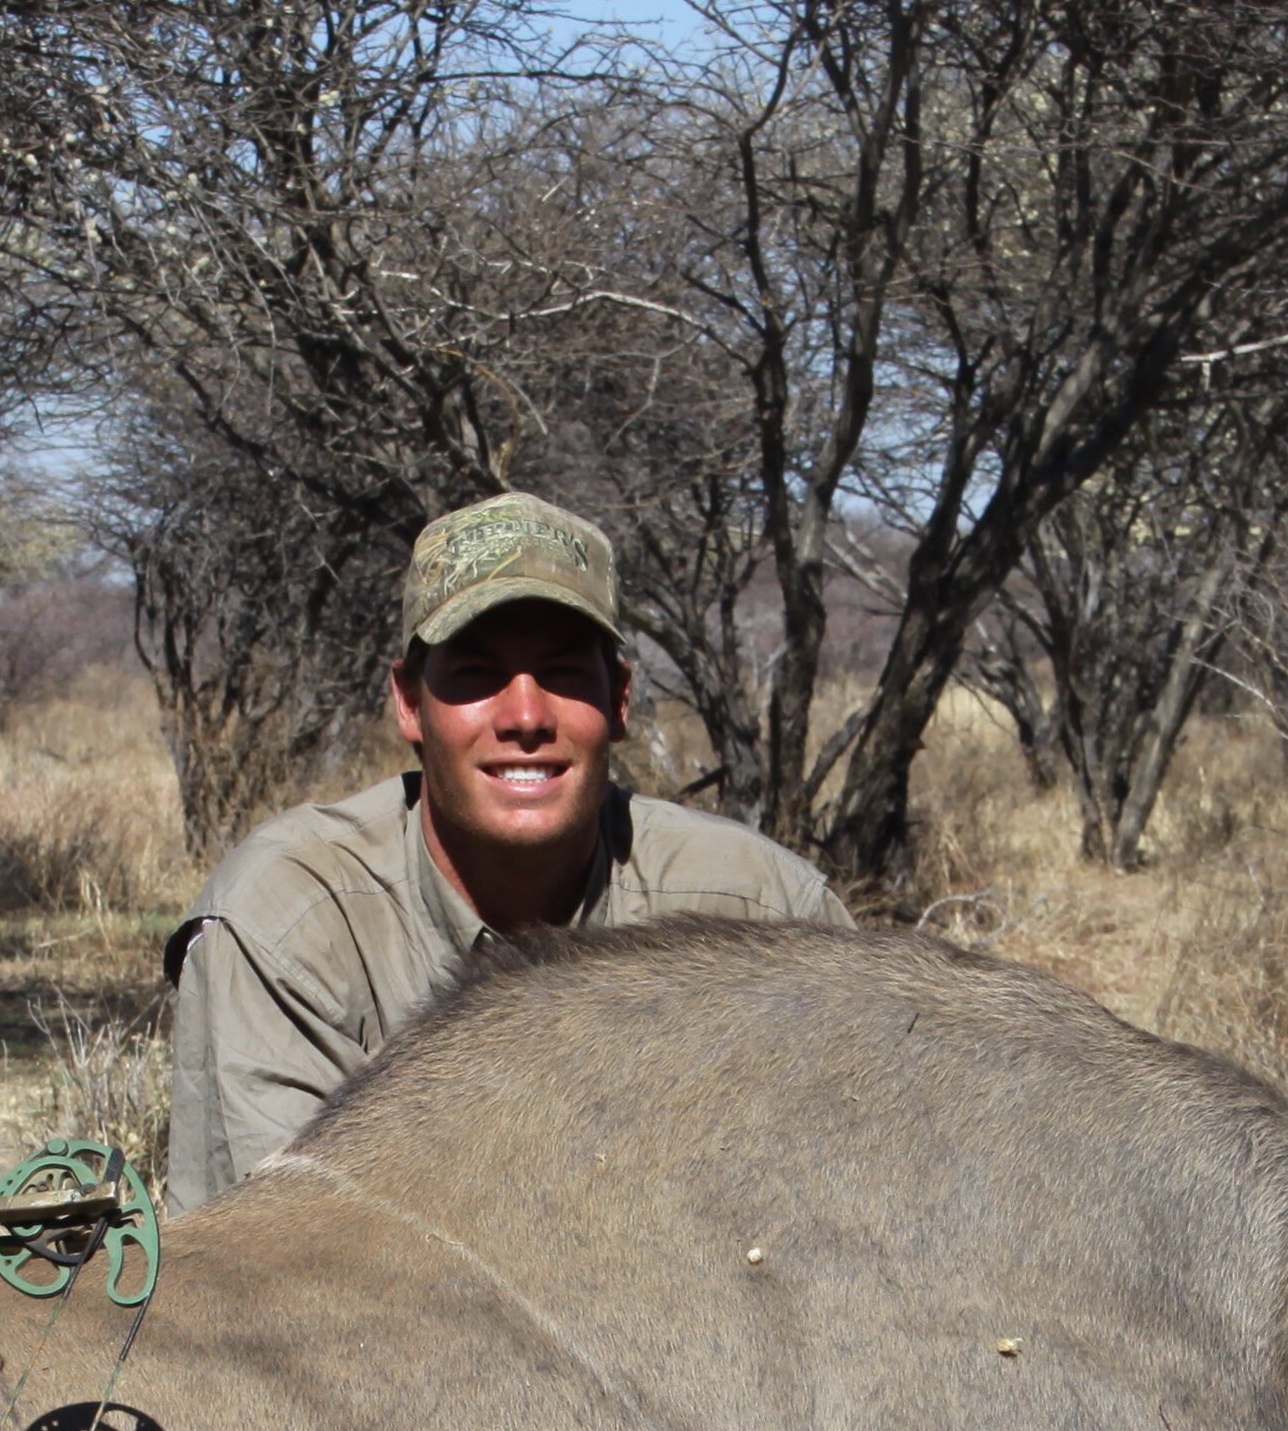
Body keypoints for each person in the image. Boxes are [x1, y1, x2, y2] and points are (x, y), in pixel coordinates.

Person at [162, 490, 846, 1212]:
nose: (525, 717)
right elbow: (290, 1259)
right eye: (477, 674)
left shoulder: (767, 913)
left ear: (618, 701)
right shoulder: (286, 920)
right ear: (409, 703)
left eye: (563, 674)